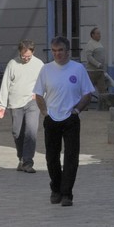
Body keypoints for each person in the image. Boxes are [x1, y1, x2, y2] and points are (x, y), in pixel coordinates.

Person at [34, 36, 94, 206]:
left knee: (71, 157)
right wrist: (45, 112)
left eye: (60, 50)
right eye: (54, 50)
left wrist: (77, 110)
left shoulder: (78, 68)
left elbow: (88, 93)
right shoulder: (46, 69)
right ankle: (56, 188)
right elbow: (38, 93)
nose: (57, 54)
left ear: (67, 51)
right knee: (52, 157)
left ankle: (67, 193)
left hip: (71, 118)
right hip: (52, 118)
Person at [0, 40, 45, 172]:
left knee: (30, 131)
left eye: (28, 56)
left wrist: (41, 95)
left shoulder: (39, 64)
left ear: (33, 52)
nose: (26, 59)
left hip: (32, 101)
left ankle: (28, 162)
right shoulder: (12, 64)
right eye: (23, 56)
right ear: (19, 52)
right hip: (15, 103)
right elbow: (5, 85)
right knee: (17, 132)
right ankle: (22, 158)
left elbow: (45, 82)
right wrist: (2, 105)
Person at [84, 26, 114, 108]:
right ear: (92, 35)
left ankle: (104, 107)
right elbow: (89, 57)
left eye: (99, 34)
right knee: (88, 90)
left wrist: (102, 67)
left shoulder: (99, 44)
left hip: (100, 71)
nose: (99, 35)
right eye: (97, 34)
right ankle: (84, 106)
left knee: (103, 90)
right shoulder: (90, 44)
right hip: (92, 72)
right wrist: (97, 64)